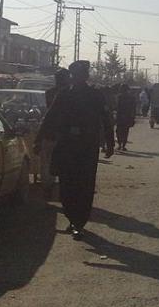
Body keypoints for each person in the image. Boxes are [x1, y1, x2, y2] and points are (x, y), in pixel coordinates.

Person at [34, 60, 114, 240]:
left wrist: (110, 143)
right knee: (67, 185)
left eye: (81, 74)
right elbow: (50, 117)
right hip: (66, 146)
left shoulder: (95, 95)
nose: (78, 78)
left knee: (85, 186)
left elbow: (106, 119)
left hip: (87, 147)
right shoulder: (64, 94)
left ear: (86, 76)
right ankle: (72, 218)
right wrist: (39, 140)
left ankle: (79, 223)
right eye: (75, 74)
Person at [40, 68, 70, 201]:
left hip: (54, 133)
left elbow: (49, 114)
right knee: (58, 164)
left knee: (48, 164)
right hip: (61, 135)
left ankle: (49, 190)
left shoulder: (51, 93)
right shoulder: (71, 94)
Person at [115, 84, 137, 151]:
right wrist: (133, 117)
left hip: (120, 117)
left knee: (119, 131)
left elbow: (117, 107)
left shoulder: (119, 97)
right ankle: (123, 145)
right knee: (125, 131)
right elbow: (133, 108)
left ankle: (120, 145)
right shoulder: (131, 97)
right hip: (127, 117)